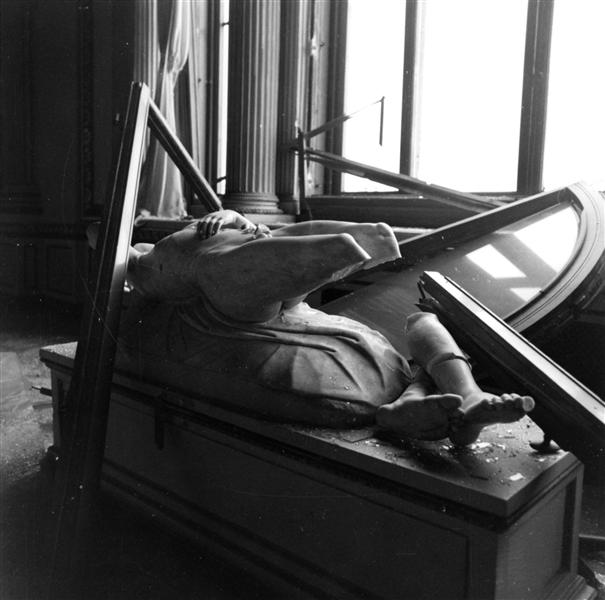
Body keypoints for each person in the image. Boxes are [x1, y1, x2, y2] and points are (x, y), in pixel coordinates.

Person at [113, 210, 534, 446]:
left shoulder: (231, 240)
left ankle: (456, 396)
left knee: (423, 323)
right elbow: (121, 248)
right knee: (239, 278)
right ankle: (421, 402)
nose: (250, 228)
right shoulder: (188, 271)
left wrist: (231, 216)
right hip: (243, 304)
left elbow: (299, 238)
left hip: (334, 339)